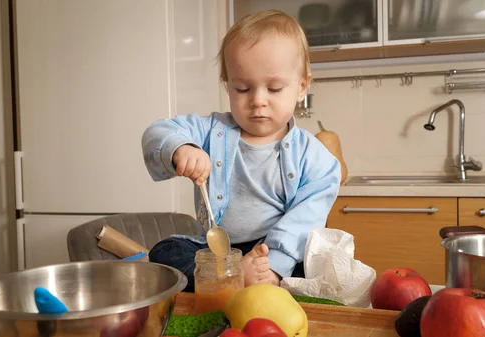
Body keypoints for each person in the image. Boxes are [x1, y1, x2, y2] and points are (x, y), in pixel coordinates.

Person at [141, 9, 341, 292]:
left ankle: (247, 279)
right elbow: (158, 131)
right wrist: (181, 147)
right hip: (216, 251)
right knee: (164, 252)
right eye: (243, 88)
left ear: (301, 87)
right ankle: (229, 276)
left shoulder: (317, 159)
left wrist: (272, 267)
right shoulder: (210, 130)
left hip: (270, 252)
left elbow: (305, 220)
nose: (258, 100)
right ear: (228, 85)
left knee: (315, 262)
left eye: (274, 88)